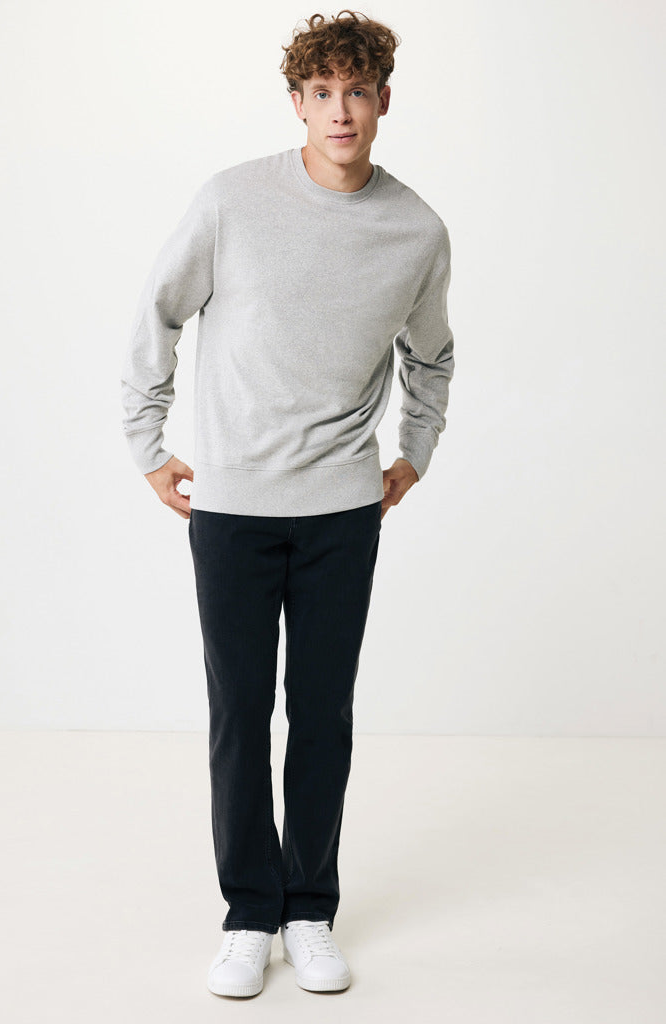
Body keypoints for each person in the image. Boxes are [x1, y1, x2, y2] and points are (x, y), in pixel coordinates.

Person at [120, 9, 455, 1000]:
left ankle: (308, 908)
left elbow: (432, 355)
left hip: (342, 513)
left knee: (320, 715)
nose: (339, 110)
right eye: (321, 92)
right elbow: (157, 313)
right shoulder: (232, 202)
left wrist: (414, 452)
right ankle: (246, 913)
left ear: (383, 101)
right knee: (238, 715)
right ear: (297, 103)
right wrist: (146, 445)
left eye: (356, 91)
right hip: (230, 508)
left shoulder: (415, 231)